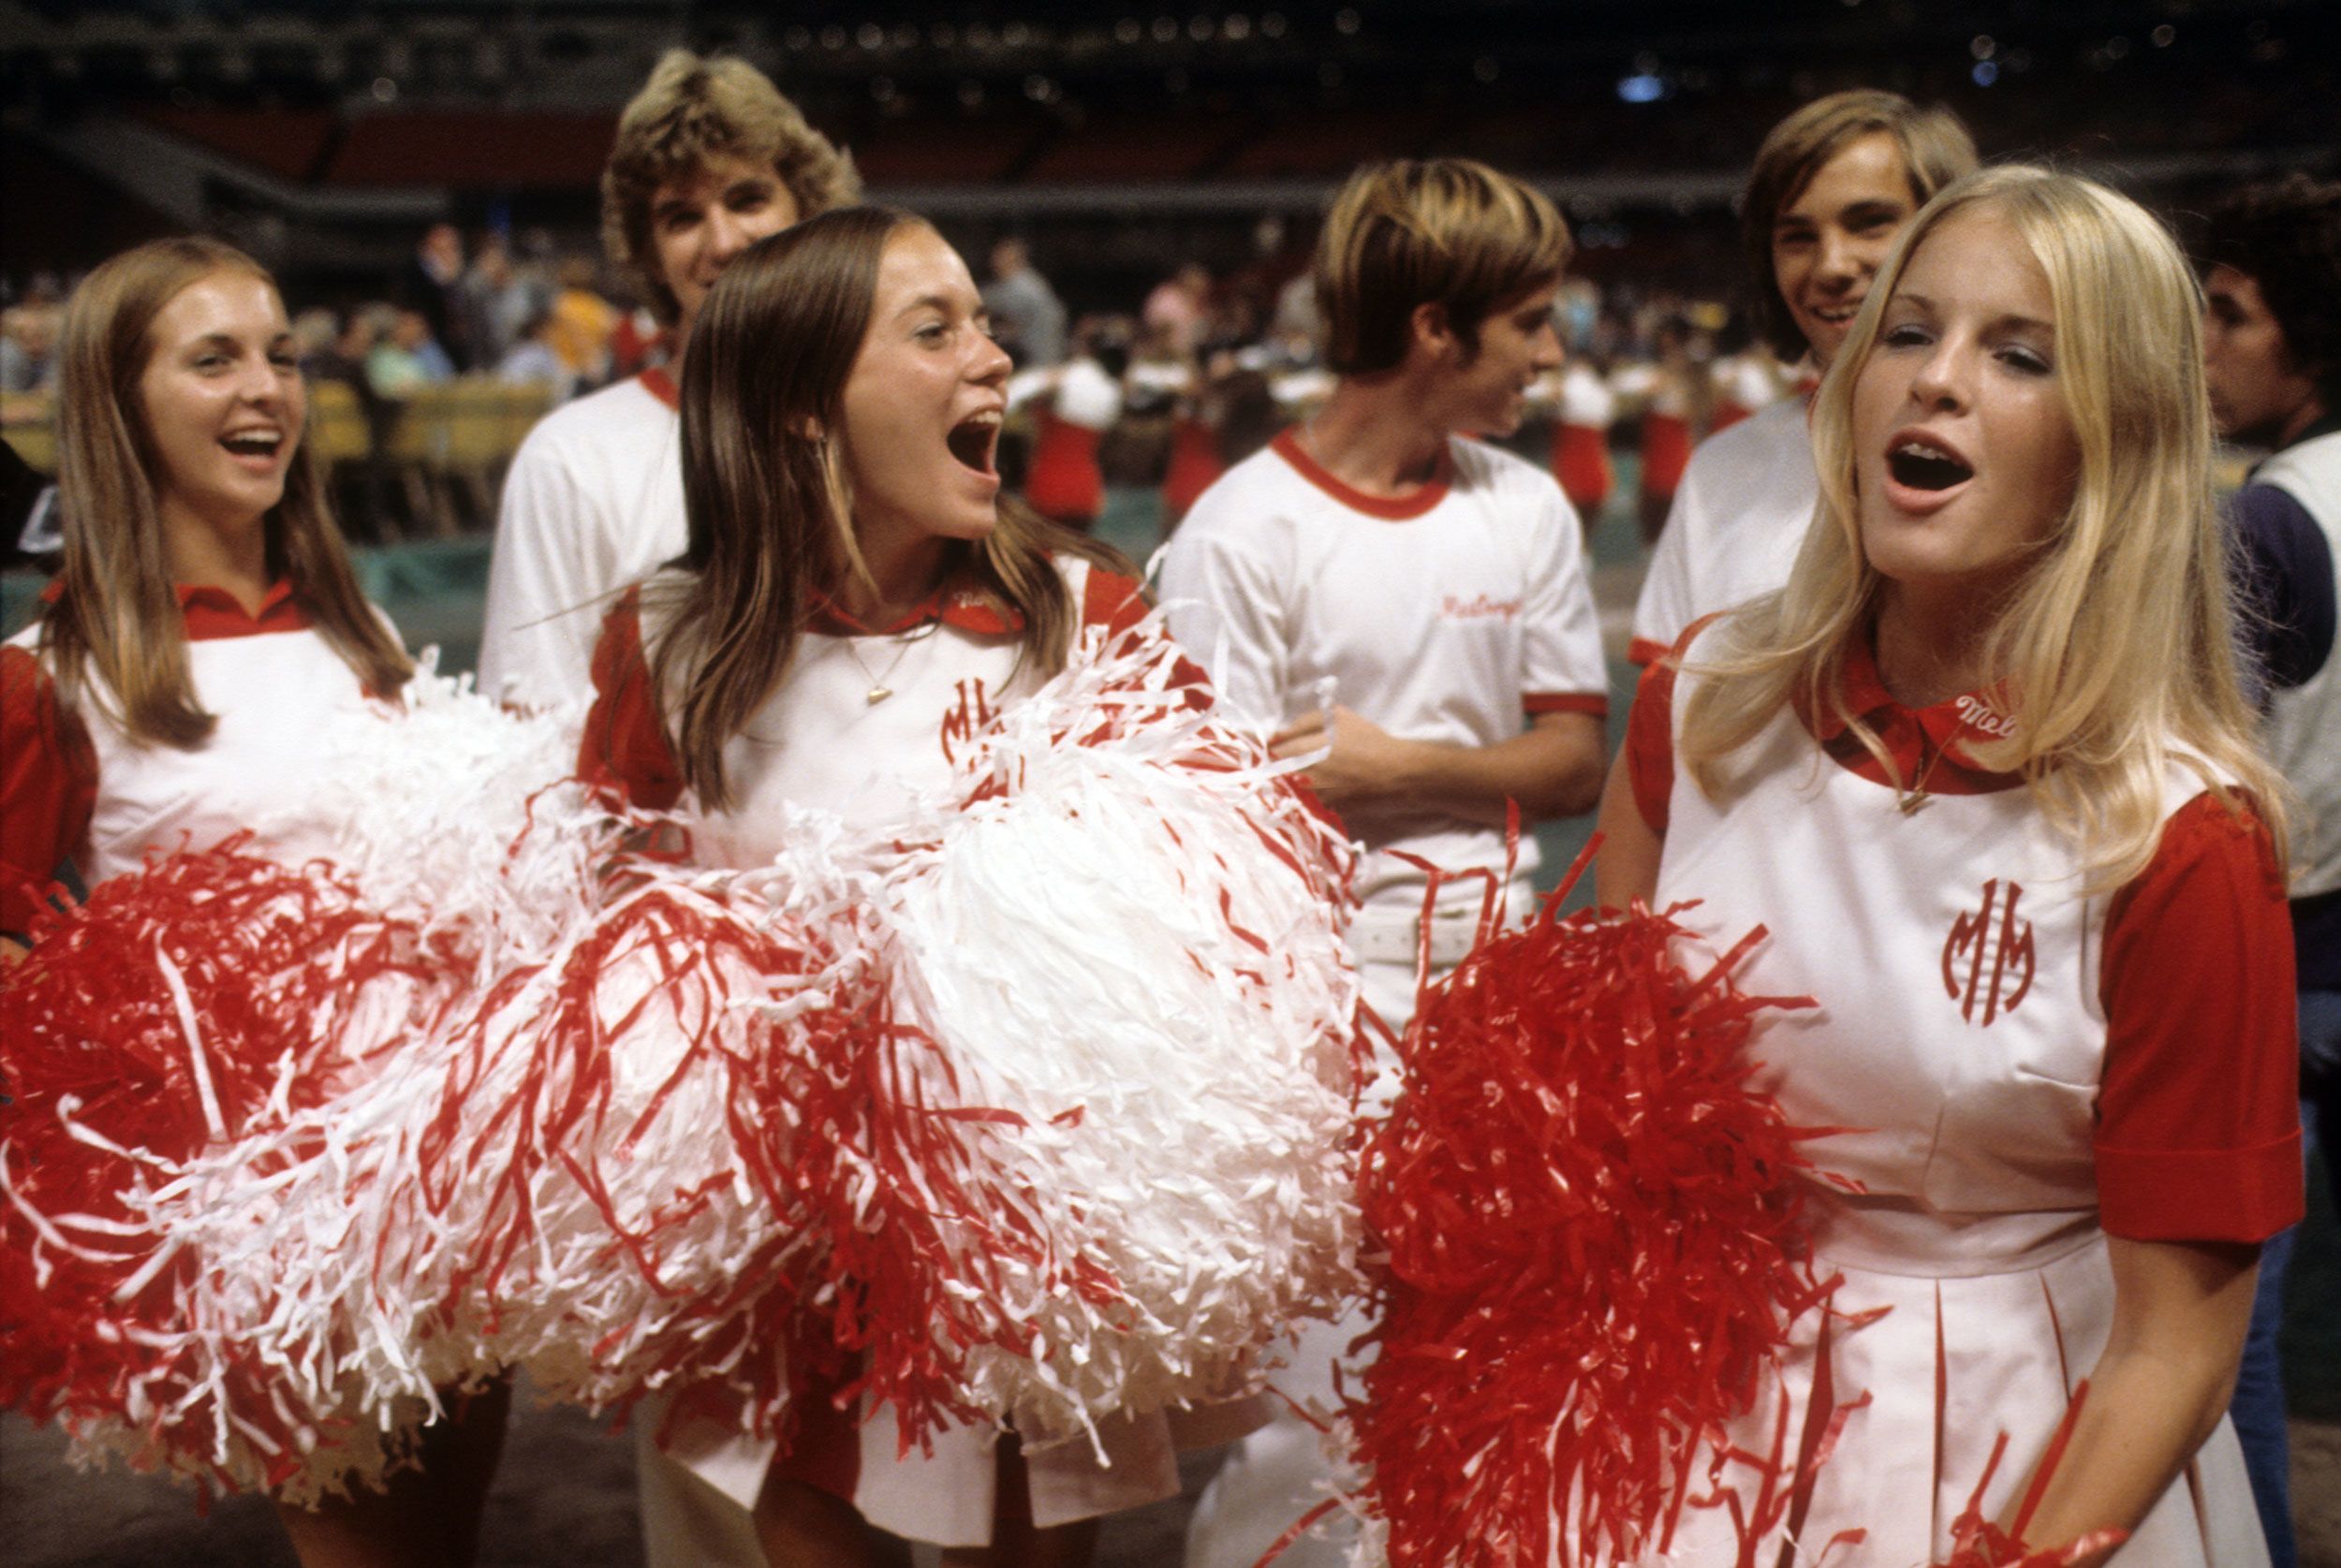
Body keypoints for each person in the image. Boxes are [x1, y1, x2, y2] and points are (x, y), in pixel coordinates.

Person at [1596, 166, 2297, 1567]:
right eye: (1909, 336)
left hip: (2029, 1438)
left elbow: (2181, 1347)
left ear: (2120, 439)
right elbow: (1607, 1096)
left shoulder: (2183, 837)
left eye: (2020, 355)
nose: (1937, 382)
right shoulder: (1708, 702)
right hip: (1696, 1414)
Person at [578, 206, 1183, 1567]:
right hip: (782, 1251)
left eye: (984, 320)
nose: (994, 359)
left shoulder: (1085, 623)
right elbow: (615, 932)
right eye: (937, 329)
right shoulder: (665, 641)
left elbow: (1204, 936)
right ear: (801, 408)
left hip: (1012, 1233)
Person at [0, 236, 515, 1568]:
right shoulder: (50, 673)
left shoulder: (366, 640)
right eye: (213, 356)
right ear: (118, 400)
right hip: (274, 1209)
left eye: (282, 354)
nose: (268, 388)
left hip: (442, 1170)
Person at [1159, 156, 1610, 1568]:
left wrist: (1399, 766)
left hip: (1497, 992)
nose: (1551, 354)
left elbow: (1574, 756)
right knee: (1312, 1383)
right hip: (1317, 1009)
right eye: (1530, 321)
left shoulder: (1522, 504)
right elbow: (1203, 822)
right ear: (1435, 328)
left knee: (1499, 1357)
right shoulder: (1242, 530)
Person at [476, 48, 858, 711]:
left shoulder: (883, 421)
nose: (724, 241)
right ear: (648, 254)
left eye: (748, 199)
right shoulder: (572, 459)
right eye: (682, 217)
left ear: (808, 212)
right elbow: (527, 737)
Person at [1628, 89, 1976, 665]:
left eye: (1869, 224)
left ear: (1953, 230)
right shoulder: (1721, 472)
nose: (1831, 266)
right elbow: (1656, 731)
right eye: (1798, 237)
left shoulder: (2037, 461)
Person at [2199, 172, 2341, 1568]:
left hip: (2295, 971)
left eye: (2232, 314)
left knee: (2230, 1333)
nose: (2205, 338)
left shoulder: (2270, 518)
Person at [980, 237, 1067, 369]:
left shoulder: (1024, 286)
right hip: (1045, 357)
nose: (993, 261)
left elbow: (984, 300)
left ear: (1013, 259)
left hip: (1039, 361)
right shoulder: (1032, 280)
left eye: (1000, 257)